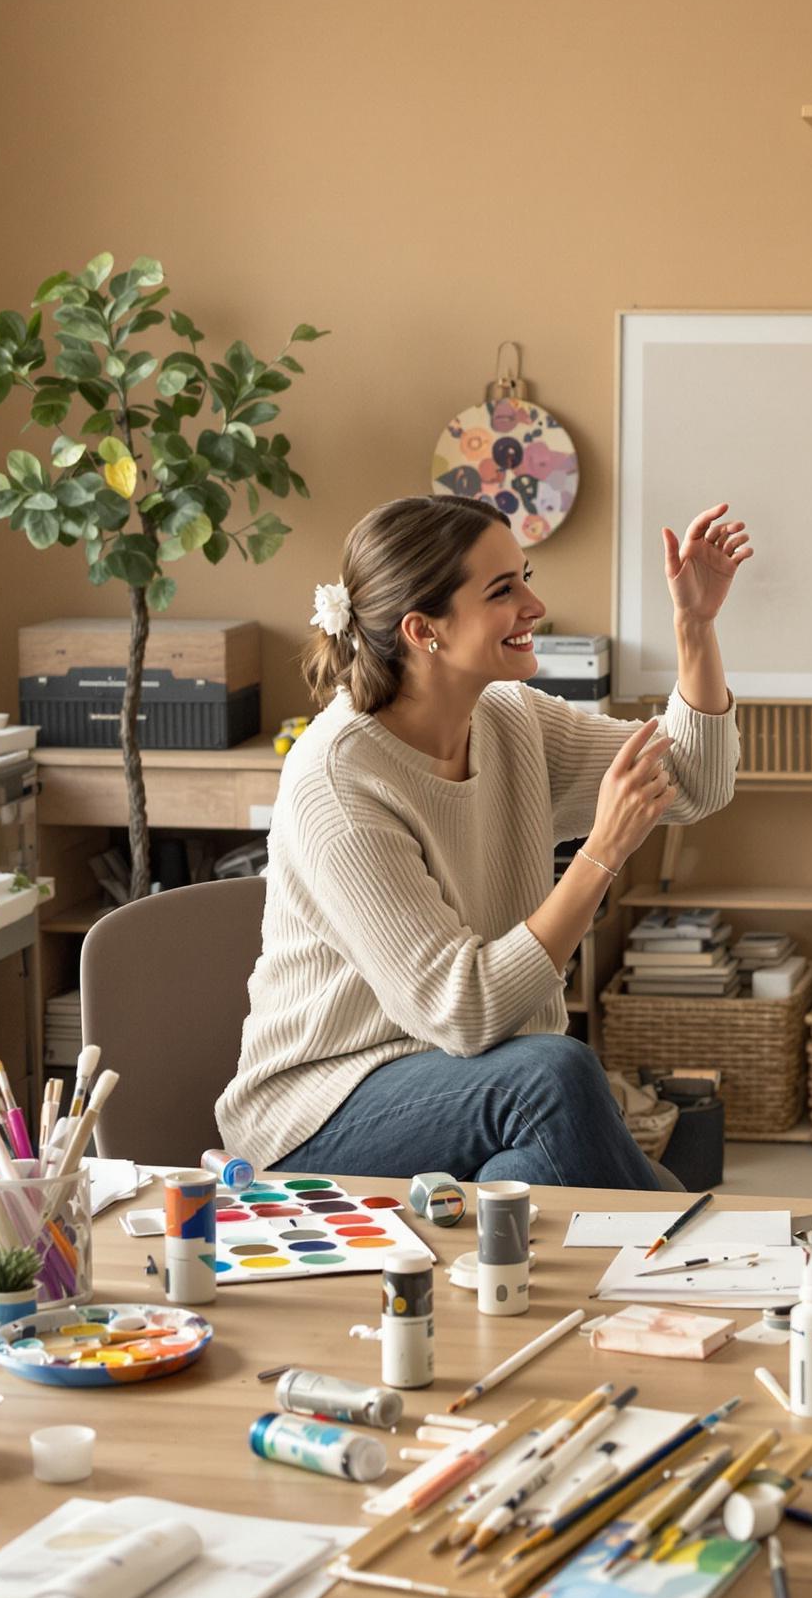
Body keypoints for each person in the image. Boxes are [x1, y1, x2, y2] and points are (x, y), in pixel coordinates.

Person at [216, 494, 751, 1186]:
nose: (535, 605)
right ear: (422, 629)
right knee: (553, 1075)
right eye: (504, 590)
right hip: (319, 1115)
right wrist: (601, 855)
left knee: (533, 1178)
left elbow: (694, 780)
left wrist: (695, 628)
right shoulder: (337, 779)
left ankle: (676, 1246)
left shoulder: (509, 719)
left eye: (525, 577)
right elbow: (462, 1010)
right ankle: (691, 1242)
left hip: (466, 1085)